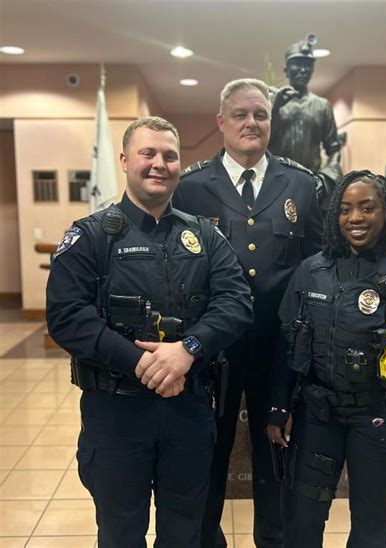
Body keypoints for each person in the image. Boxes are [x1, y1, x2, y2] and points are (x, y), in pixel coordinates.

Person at [46, 116, 254, 548]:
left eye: (170, 156)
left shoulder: (205, 236)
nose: (159, 164)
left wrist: (188, 350)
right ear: (124, 161)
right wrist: (139, 361)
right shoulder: (89, 237)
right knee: (121, 532)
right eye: (148, 153)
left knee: (186, 532)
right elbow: (66, 315)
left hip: (189, 409)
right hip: (116, 414)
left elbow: (236, 303)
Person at [173, 78, 324, 548]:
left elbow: (318, 262)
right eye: (240, 114)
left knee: (275, 451)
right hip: (213, 347)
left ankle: (273, 540)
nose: (251, 123)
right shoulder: (192, 188)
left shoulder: (301, 183)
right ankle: (204, 539)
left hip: (279, 347)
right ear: (221, 122)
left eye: (260, 115)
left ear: (271, 123)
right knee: (208, 450)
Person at [267, 169, 386, 547]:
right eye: (346, 209)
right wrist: (277, 407)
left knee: (372, 525)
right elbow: (286, 345)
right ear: (335, 215)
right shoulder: (311, 271)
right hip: (317, 416)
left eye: (368, 208)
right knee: (302, 521)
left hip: (377, 419)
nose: (356, 218)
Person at [268, 33, 343, 209]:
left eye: (308, 65)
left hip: (312, 186)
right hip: (276, 186)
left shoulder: (322, 105)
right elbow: (261, 143)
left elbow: (334, 149)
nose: (303, 70)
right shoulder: (271, 102)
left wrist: (325, 179)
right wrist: (275, 108)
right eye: (297, 64)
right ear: (286, 69)